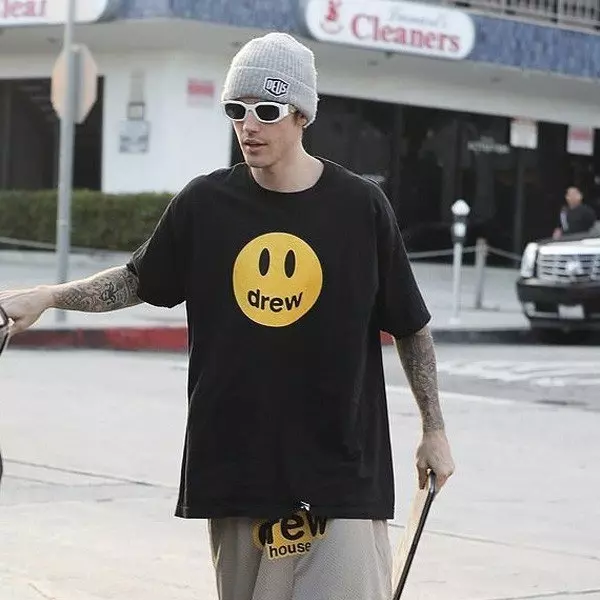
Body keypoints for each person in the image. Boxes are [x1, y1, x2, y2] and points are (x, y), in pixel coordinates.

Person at [0, 33, 455, 600]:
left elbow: (410, 324)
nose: (248, 125)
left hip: (340, 473)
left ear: (302, 115)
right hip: (238, 469)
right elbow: (137, 281)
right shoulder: (205, 204)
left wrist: (434, 429)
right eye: (236, 110)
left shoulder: (361, 208)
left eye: (267, 111)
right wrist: (48, 296)